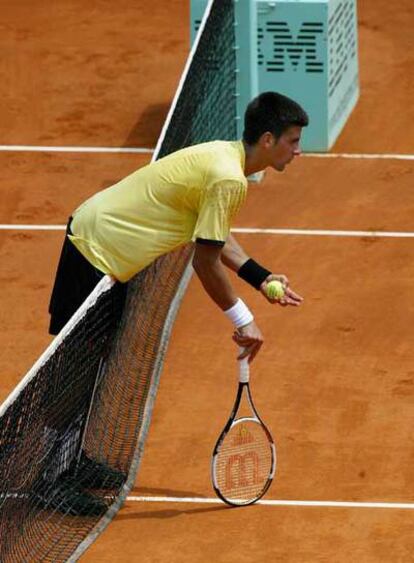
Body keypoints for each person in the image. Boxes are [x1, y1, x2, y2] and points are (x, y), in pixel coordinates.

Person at [44, 91, 309, 515]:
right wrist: (242, 318)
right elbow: (204, 261)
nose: (298, 151)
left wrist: (262, 279)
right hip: (95, 253)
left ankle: (70, 460)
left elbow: (214, 235)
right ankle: (51, 479)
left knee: (94, 364)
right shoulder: (228, 177)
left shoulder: (226, 160)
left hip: (110, 258)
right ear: (267, 140)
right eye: (292, 141)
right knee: (77, 368)